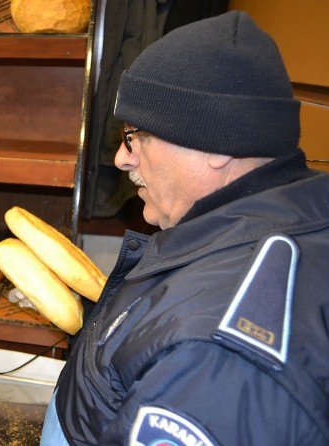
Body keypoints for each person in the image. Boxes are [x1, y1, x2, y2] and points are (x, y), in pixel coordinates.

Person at [40, 10, 329, 446]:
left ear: (216, 144)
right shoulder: (274, 226)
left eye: (134, 136)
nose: (121, 158)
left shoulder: (218, 358)